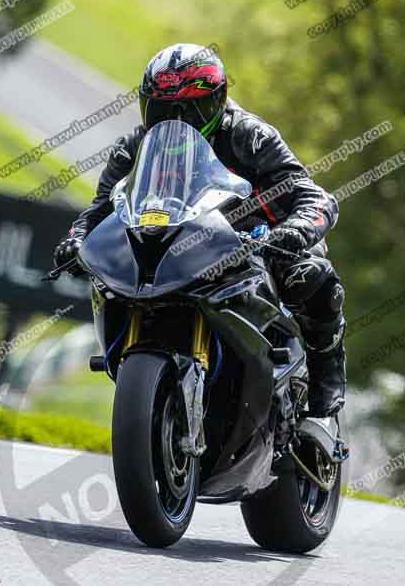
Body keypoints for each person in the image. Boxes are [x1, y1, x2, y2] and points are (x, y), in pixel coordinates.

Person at [54, 43, 346, 418]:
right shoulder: (134, 148)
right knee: (111, 283)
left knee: (310, 273)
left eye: (189, 109)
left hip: (253, 242)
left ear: (218, 100)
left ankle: (327, 377)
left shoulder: (249, 136)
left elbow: (310, 194)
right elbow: (101, 208)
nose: (176, 120)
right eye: (163, 109)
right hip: (179, 248)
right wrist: (76, 241)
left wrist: (295, 231)